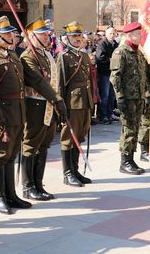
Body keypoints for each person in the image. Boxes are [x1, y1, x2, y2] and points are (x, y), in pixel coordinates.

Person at [0, 16, 32, 214]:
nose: (12, 36)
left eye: (12, 33)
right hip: (3, 112)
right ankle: (0, 197)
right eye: (7, 33)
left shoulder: (12, 55)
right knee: (0, 155)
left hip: (17, 110)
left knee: (12, 154)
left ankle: (11, 194)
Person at [20, 19, 67, 201]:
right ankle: (28, 186)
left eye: (47, 34)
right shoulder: (28, 57)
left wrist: (56, 100)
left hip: (49, 106)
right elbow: (39, 82)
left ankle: (38, 184)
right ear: (31, 37)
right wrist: (57, 99)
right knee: (31, 145)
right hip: (36, 106)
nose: (47, 37)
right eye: (42, 34)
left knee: (44, 145)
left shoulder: (46, 55)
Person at [110, 22, 150, 174]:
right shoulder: (121, 52)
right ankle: (125, 161)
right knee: (128, 130)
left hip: (138, 97)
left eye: (140, 33)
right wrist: (119, 98)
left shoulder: (138, 52)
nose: (141, 36)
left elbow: (142, 76)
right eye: (138, 34)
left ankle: (131, 159)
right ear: (129, 35)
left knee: (135, 128)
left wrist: (146, 95)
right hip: (127, 98)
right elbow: (115, 77)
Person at [58, 21, 94, 186]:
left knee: (80, 136)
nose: (78, 38)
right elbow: (59, 84)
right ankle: (67, 173)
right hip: (71, 103)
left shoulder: (84, 55)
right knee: (68, 138)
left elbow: (89, 81)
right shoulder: (63, 57)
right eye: (74, 36)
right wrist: (61, 106)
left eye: (79, 35)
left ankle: (75, 170)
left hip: (85, 101)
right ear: (67, 38)